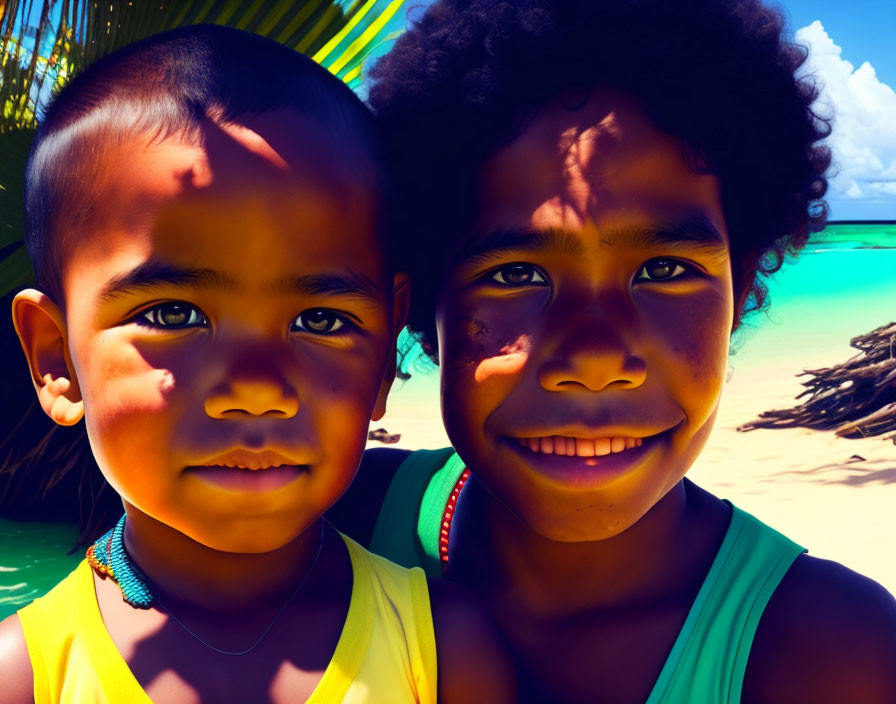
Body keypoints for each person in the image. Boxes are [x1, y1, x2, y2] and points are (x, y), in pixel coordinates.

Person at [328, 1, 896, 701]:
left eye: (663, 270)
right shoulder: (328, 532)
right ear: (423, 305)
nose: (595, 358)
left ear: (740, 288)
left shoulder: (836, 656)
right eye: (515, 274)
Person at [0, 24, 513, 704]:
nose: (255, 390)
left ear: (388, 353)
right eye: (174, 315)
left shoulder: (446, 650)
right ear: (54, 359)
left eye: (320, 321)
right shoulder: (26, 674)